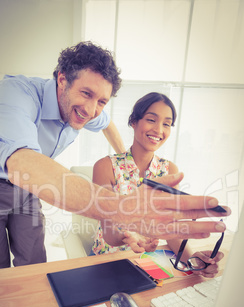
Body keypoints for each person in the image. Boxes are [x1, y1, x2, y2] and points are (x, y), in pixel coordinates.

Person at [0, 43, 229, 271]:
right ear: (62, 80)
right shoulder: (15, 93)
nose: (90, 110)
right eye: (86, 93)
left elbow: (106, 124)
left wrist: (125, 161)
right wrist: (122, 208)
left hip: (28, 191)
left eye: (101, 101)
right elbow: (22, 162)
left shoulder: (91, 110)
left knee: (33, 261)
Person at [91, 92, 226, 278]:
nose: (158, 129)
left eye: (167, 124)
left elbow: (173, 230)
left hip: (148, 260)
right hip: (108, 260)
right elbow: (107, 231)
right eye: (151, 120)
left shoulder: (169, 170)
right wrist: (126, 236)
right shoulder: (105, 167)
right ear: (134, 122)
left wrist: (191, 260)